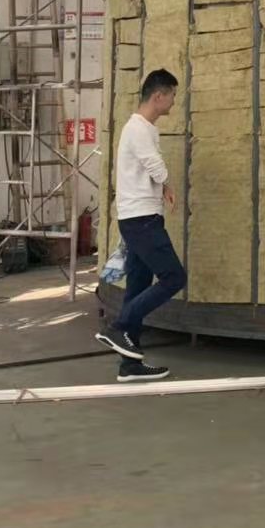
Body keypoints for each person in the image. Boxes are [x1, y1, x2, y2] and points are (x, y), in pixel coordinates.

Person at [95, 69, 187, 382]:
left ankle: (130, 364)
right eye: (172, 95)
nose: (174, 101)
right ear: (158, 96)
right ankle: (119, 327)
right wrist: (166, 181)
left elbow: (147, 169)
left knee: (137, 287)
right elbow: (154, 165)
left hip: (136, 219)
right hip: (142, 221)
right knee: (174, 277)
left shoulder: (141, 128)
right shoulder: (139, 128)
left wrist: (163, 187)